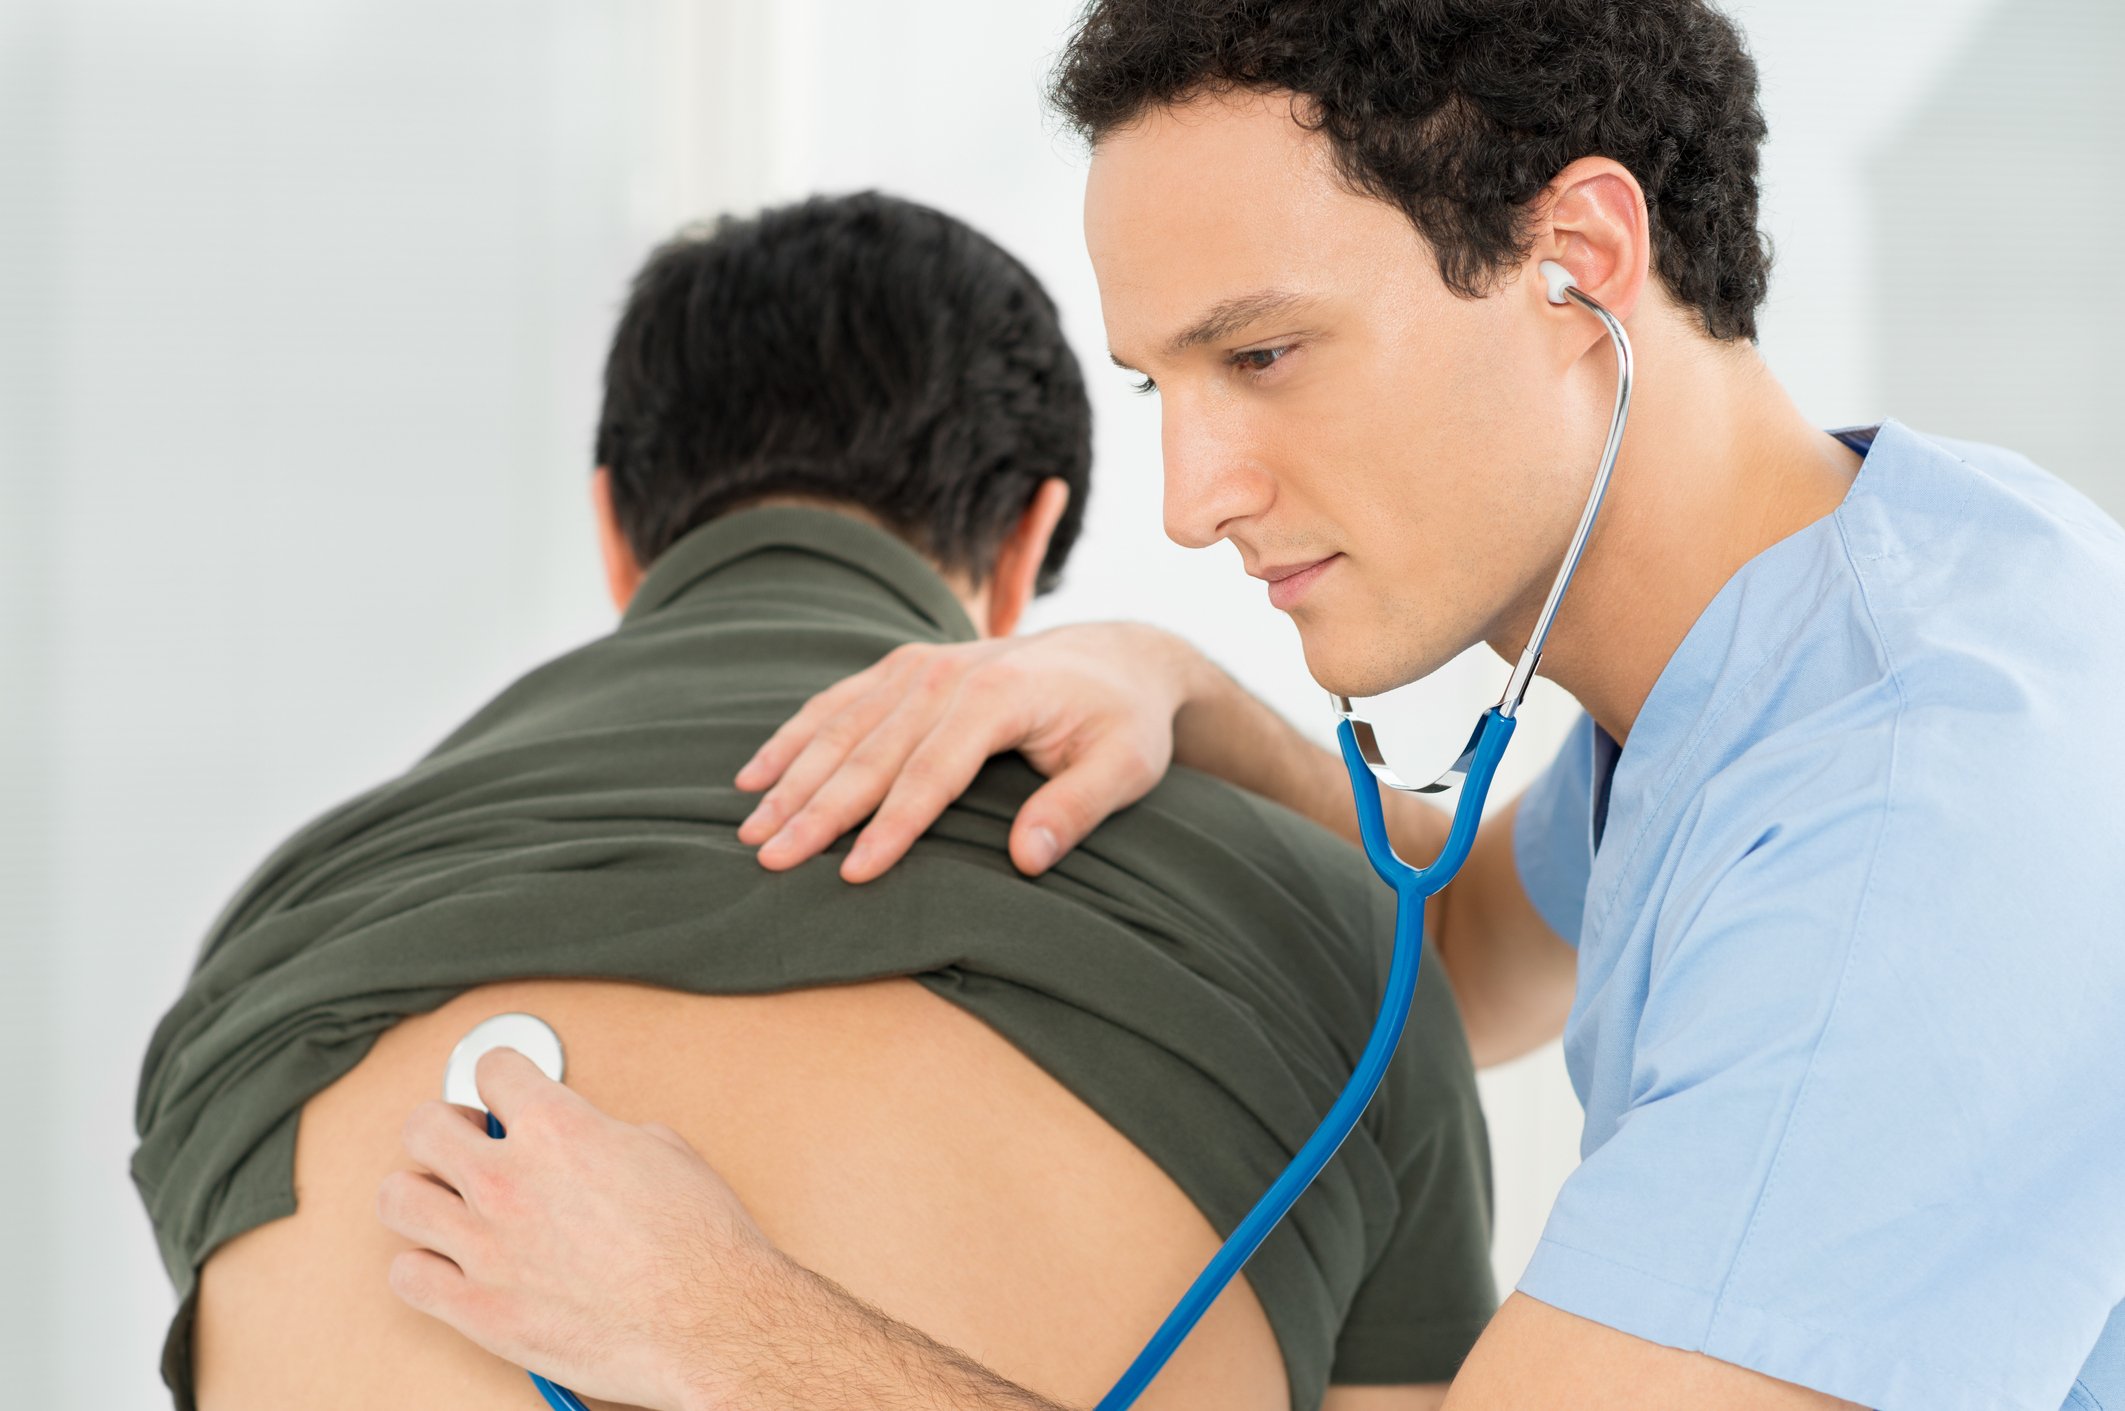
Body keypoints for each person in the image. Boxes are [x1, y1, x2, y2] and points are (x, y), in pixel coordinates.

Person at [369, 2, 2125, 1410]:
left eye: (1262, 356)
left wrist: (714, 1329)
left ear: (1578, 262)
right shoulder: (1841, 602)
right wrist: (1186, 694)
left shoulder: (1927, 823)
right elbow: (1479, 959)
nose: (1193, 494)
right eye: (1158, 384)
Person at [131, 191, 1499, 1411]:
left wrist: (732, 1334)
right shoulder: (1336, 936)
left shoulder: (273, 949)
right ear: (1026, 540)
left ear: (617, 532)